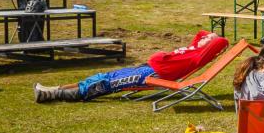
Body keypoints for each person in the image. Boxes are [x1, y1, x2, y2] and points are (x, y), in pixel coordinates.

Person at [33, 30, 228, 103]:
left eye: (208, 39)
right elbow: (200, 33)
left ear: (210, 46)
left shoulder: (196, 56)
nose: (205, 37)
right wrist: (206, 37)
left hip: (153, 74)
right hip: (147, 68)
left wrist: (215, 39)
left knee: (104, 83)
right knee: (103, 75)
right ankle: (53, 90)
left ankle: (54, 95)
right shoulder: (194, 48)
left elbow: (222, 42)